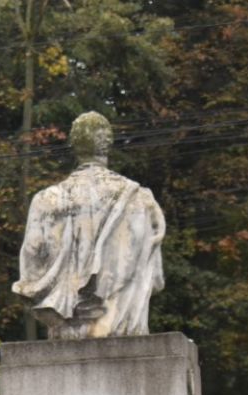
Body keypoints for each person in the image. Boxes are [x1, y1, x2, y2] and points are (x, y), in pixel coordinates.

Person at [14, 111, 165, 339]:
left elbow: (31, 267)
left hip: (67, 335)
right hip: (126, 329)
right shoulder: (140, 200)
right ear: (108, 143)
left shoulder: (47, 200)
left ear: (74, 145)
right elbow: (156, 280)